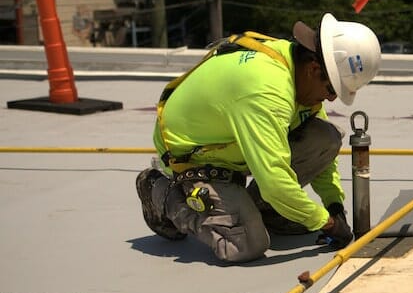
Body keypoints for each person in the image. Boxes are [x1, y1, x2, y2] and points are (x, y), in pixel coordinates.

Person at [134, 14, 381, 263]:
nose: (331, 99)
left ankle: (268, 211)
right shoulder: (267, 92)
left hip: (231, 145)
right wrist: (325, 223)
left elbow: (321, 150)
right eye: (331, 90)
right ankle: (161, 191)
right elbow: (274, 182)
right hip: (194, 158)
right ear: (314, 69)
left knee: (325, 136)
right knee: (247, 244)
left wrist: (334, 204)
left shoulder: (295, 68)